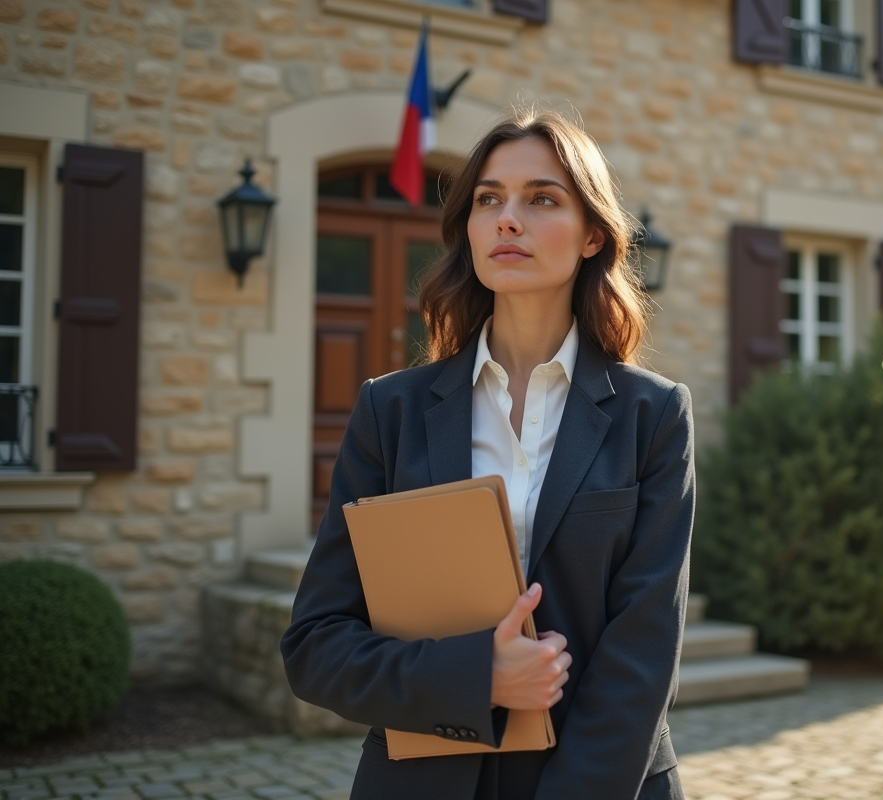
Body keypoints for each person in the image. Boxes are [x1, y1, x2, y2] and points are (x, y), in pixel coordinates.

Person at [280, 108, 695, 800]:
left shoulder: (652, 415)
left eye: (542, 199)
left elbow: (644, 653)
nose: (507, 220)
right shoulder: (391, 411)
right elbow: (316, 646)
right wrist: (479, 677)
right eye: (488, 199)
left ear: (593, 235)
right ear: (468, 228)